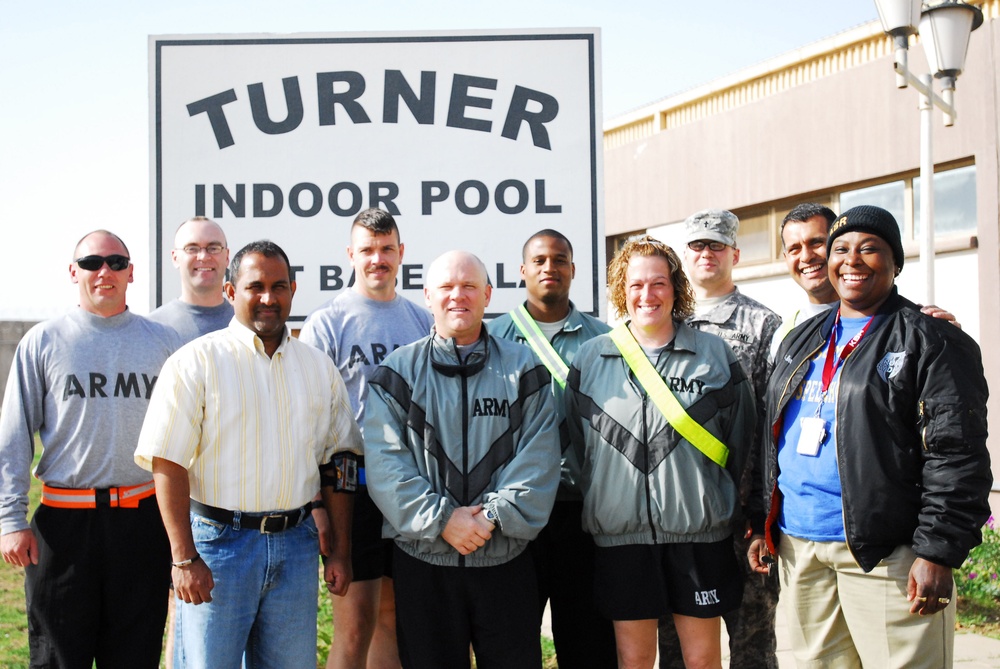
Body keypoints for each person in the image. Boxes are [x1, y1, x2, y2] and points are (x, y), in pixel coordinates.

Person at [748, 205, 992, 668]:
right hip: (800, 548)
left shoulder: (931, 339)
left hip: (888, 555)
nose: (851, 260)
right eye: (841, 248)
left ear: (896, 262)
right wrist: (763, 519)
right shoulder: (800, 338)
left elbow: (956, 454)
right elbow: (772, 434)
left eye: (869, 249)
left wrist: (937, 550)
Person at [134, 240, 364, 669]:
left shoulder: (318, 368)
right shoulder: (195, 363)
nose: (267, 297)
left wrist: (340, 550)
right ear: (229, 292)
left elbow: (341, 461)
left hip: (296, 547)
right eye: (254, 286)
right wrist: (184, 557)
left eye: (279, 286)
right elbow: (167, 461)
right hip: (219, 547)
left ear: (293, 290)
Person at [363, 250, 561, 669]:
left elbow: (539, 458)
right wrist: (443, 521)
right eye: (447, 287)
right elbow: (386, 465)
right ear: (427, 296)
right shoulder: (395, 374)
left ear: (487, 295)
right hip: (424, 563)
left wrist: (490, 518)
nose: (458, 296)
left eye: (469, 286)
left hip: (505, 559)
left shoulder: (526, 370)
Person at [568, 235, 756, 669]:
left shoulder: (713, 355)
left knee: (702, 660)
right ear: (621, 290)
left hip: (698, 535)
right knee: (634, 661)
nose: (647, 295)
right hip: (622, 539)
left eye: (658, 283)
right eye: (636, 285)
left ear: (675, 288)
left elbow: (741, 440)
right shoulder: (591, 359)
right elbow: (579, 450)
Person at [0, 230, 181, 668]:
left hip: (141, 525)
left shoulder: (164, 343)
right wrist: (10, 517)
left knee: (134, 657)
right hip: (63, 529)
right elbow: (14, 433)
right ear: (73, 272)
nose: (105, 271)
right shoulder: (43, 342)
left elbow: (185, 439)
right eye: (92, 262)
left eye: (117, 263)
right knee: (59, 658)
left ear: (131, 273)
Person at [299, 208, 433, 669]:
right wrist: (316, 502)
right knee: (354, 625)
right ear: (350, 255)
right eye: (368, 250)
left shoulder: (421, 321)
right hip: (347, 484)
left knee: (393, 617)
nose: (378, 258)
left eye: (386, 249)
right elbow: (309, 419)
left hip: (409, 483)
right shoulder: (328, 322)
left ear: (401, 254)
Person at [658, 209, 781, 669]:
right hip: (683, 512)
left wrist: (764, 511)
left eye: (716, 245)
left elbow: (773, 422)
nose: (706, 253)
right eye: (697, 246)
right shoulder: (664, 323)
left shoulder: (764, 324)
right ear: (684, 257)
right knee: (677, 643)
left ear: (735, 253)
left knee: (752, 642)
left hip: (743, 515)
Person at [490, 229, 616, 668]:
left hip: (581, 511)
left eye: (559, 259)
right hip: (514, 514)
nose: (550, 268)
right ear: (522, 271)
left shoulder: (606, 340)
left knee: (587, 640)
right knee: (511, 639)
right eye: (539, 260)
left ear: (573, 270)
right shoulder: (493, 339)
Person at [771, 202, 958, 358]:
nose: (806, 257)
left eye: (817, 243)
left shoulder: (916, 329)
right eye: (795, 248)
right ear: (786, 257)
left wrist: (941, 339)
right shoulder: (785, 334)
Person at [148, 216, 233, 343]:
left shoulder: (248, 323)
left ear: (226, 257)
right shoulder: (152, 329)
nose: (203, 257)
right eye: (192, 249)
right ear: (175, 258)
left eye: (213, 248)